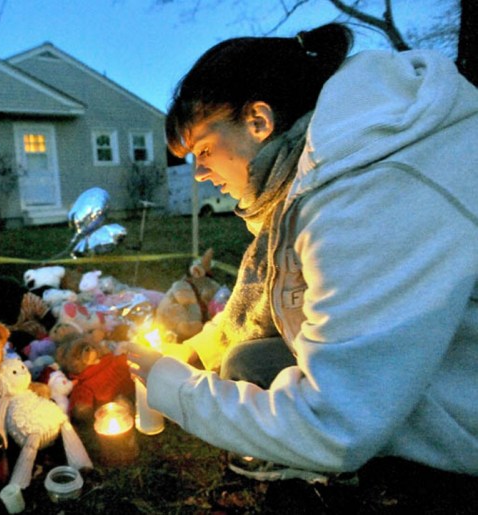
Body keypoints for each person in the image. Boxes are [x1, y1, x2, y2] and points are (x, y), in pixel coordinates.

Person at [127, 22, 478, 482]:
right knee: (246, 361)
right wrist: (196, 350)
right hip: (418, 364)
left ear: (258, 121)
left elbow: (335, 425)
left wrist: (174, 388)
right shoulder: (322, 166)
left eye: (205, 149)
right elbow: (270, 299)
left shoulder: (366, 194)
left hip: (462, 408)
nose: (199, 172)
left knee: (261, 379)